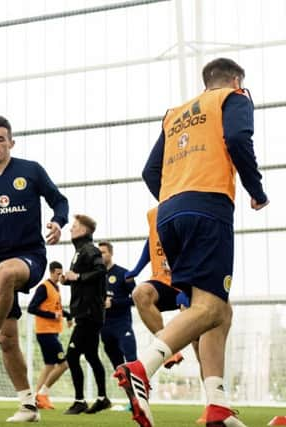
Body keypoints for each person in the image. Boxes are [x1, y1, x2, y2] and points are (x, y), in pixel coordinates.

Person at [115, 58, 269, 427]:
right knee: (210, 309)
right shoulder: (234, 97)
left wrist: (175, 197)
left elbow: (150, 171)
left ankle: (216, 404)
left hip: (170, 213)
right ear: (235, 80)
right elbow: (236, 138)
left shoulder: (176, 113)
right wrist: (256, 190)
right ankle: (143, 367)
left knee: (219, 309)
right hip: (207, 207)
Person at [0, 115, 69, 422]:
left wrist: (58, 222)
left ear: (11, 142)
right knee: (9, 339)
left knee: (7, 273)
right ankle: (27, 404)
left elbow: (59, 201)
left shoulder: (31, 170)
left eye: (0, 139)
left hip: (29, 256)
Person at [61, 214, 110, 415]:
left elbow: (101, 271)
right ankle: (102, 398)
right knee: (91, 356)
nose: (71, 229)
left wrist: (78, 277)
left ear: (83, 231)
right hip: (85, 312)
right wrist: (69, 279)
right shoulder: (80, 251)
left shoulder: (90, 250)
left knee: (72, 356)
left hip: (89, 313)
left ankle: (80, 400)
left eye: (74, 226)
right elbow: (83, 279)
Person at [128, 206, 185, 369]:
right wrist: (138, 268)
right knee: (140, 293)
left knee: (198, 334)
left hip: (188, 279)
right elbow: (152, 240)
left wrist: (189, 285)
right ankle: (168, 348)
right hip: (162, 280)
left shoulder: (187, 206)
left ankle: (213, 388)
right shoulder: (153, 213)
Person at [27, 261, 71, 410]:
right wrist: (52, 315)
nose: (60, 276)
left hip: (52, 332)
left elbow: (56, 308)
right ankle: (43, 394)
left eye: (61, 273)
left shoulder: (56, 288)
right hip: (45, 332)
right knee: (64, 364)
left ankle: (35, 397)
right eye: (57, 274)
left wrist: (68, 315)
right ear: (51, 272)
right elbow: (31, 308)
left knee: (49, 365)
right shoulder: (43, 287)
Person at [98, 241, 137, 371]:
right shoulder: (96, 276)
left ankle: (141, 388)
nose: (100, 256)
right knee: (119, 369)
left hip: (122, 324)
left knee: (132, 360)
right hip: (104, 326)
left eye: (103, 252)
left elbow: (136, 299)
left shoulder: (124, 274)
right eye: (98, 253)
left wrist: (114, 303)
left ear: (111, 253)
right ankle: (129, 391)